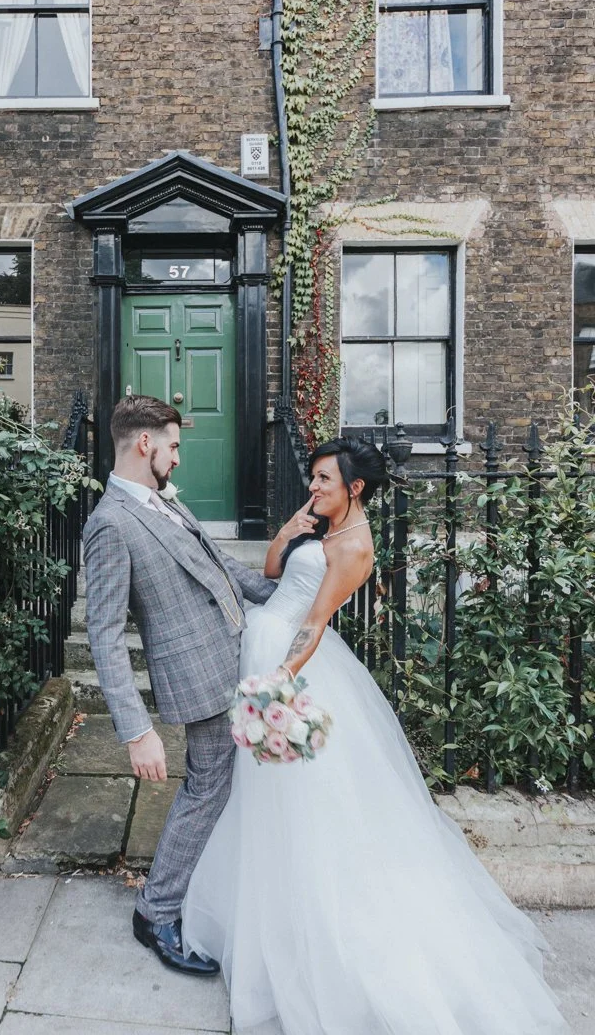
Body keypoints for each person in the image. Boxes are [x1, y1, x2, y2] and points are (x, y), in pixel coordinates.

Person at [182, 436, 570, 1034]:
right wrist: (289, 529)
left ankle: (310, 923)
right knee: (258, 792)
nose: (313, 486)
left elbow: (315, 624)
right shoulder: (322, 525)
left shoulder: (355, 546)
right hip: (264, 639)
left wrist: (277, 685)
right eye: (314, 477)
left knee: (301, 799)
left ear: (355, 487)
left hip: (289, 663)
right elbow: (273, 572)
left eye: (324, 480)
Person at [83, 394, 276, 975]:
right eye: (173, 446)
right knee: (208, 786)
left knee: (225, 783)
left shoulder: (162, 501)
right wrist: (136, 731)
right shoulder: (110, 523)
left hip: (233, 660)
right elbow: (104, 636)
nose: (178, 457)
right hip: (196, 679)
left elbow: (222, 567)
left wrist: (289, 597)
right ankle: (157, 911)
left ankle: (201, 888)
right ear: (145, 443)